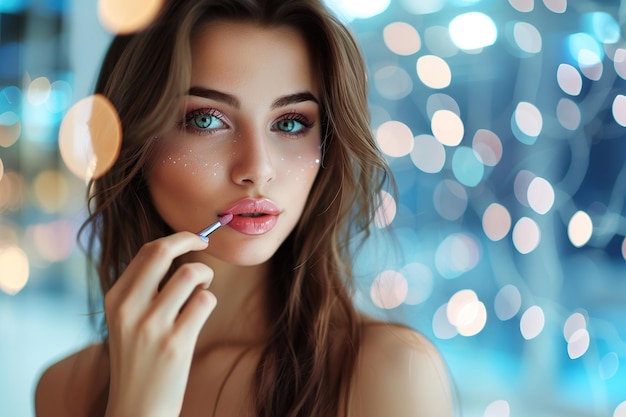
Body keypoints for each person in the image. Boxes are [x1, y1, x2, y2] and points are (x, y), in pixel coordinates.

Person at [35, 0, 456, 416]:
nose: (258, 169)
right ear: (134, 142)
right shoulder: (64, 389)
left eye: (290, 123)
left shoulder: (390, 373)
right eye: (205, 120)